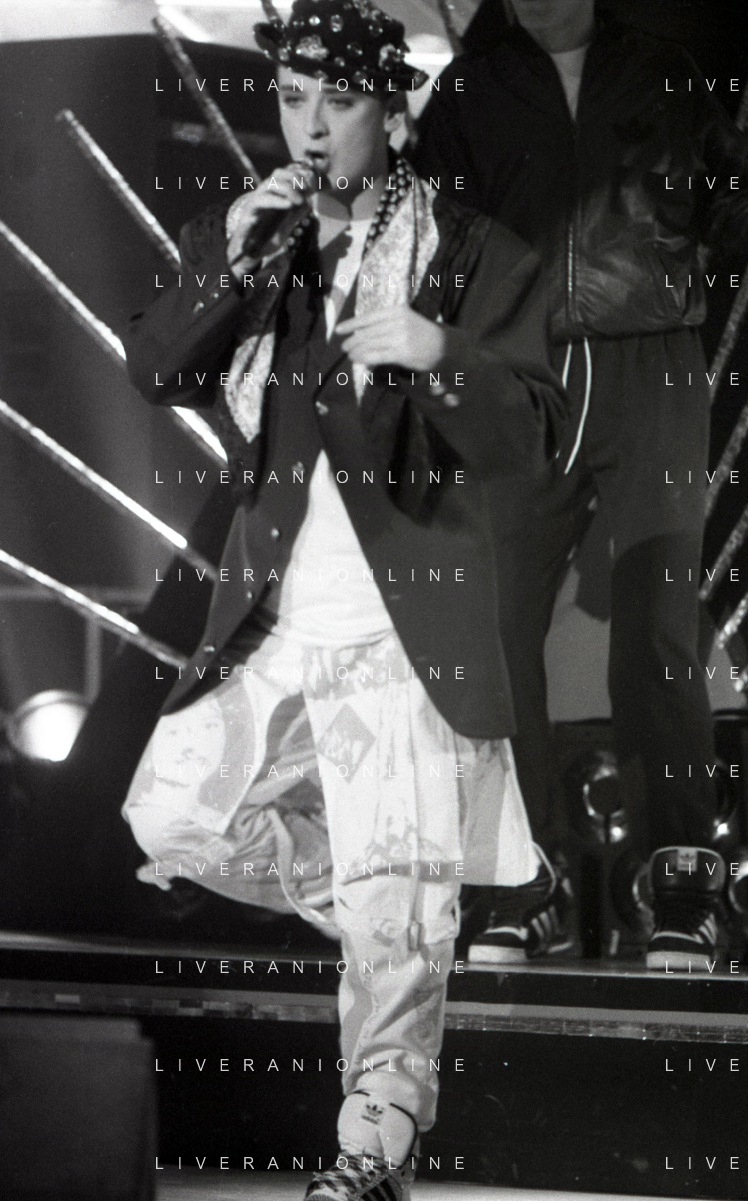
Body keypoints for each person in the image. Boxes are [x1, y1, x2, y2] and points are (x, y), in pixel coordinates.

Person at [121, 0, 566, 1195]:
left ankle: (371, 1150)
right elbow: (156, 368)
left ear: (394, 115)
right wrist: (222, 258)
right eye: (290, 98)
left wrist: (439, 352)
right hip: (270, 612)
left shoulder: (467, 252)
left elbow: (530, 439)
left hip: (400, 618)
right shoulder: (256, 239)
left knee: (392, 897)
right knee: (174, 819)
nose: (310, 127)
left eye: (340, 100)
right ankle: (410, 906)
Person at [413, 0, 748, 970]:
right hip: (518, 375)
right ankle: (519, 881)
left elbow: (732, 205)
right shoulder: (469, 91)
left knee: (656, 630)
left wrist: (692, 234)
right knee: (495, 629)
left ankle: (682, 885)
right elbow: (431, 236)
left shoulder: (663, 74)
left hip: (652, 363)